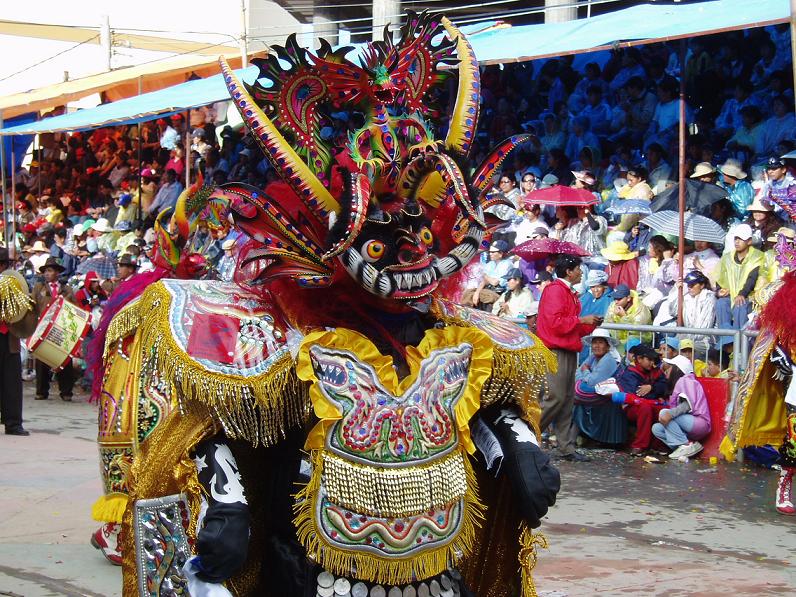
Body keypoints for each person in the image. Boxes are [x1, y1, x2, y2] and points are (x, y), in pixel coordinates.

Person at [537, 255, 600, 462]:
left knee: (565, 400)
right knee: (555, 397)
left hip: (566, 350)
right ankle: (529, 436)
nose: (581, 273)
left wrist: (591, 324)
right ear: (569, 272)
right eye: (578, 270)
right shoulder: (556, 290)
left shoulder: (566, 292)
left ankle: (565, 447)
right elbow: (556, 323)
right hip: (556, 351)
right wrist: (582, 320)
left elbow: (569, 326)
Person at [0, 248, 36, 435]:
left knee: (12, 381)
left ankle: (13, 422)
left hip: (10, 336)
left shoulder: (13, 283)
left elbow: (23, 309)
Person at [30, 257, 76, 401]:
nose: (47, 274)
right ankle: (41, 391)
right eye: (45, 271)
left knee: (64, 360)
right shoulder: (39, 288)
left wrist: (68, 300)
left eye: (50, 271)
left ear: (57, 273)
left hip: (61, 328)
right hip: (43, 327)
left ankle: (66, 391)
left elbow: (76, 306)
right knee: (41, 360)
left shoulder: (66, 289)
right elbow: (32, 305)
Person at [612, 343, 670, 455]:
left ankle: (658, 445)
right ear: (639, 359)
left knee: (665, 411)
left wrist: (651, 387)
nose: (652, 363)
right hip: (632, 407)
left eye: (653, 359)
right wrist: (655, 394)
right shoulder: (629, 373)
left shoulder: (655, 370)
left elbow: (664, 386)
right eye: (649, 359)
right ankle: (639, 445)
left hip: (652, 403)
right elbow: (638, 395)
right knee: (645, 408)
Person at [652, 355, 712, 459]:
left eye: (670, 367)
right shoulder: (684, 381)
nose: (666, 370)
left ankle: (685, 445)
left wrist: (669, 414)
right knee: (656, 428)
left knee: (664, 413)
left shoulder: (685, 380)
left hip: (699, 423)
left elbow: (687, 405)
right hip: (689, 424)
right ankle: (685, 446)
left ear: (677, 369)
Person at [715, 223, 766, 345]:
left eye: (741, 239)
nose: (737, 242)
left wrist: (742, 294)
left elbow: (752, 279)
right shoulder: (727, 257)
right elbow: (721, 277)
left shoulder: (758, 257)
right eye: (735, 239)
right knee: (721, 303)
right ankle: (725, 342)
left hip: (750, 297)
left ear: (749, 241)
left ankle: (740, 344)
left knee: (740, 306)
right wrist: (720, 290)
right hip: (732, 295)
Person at [573, 328, 625, 445]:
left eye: (600, 342)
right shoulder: (592, 357)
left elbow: (591, 382)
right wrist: (585, 377)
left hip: (606, 398)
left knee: (576, 399)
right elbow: (577, 373)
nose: (596, 346)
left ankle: (579, 436)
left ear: (607, 346)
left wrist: (585, 372)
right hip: (594, 394)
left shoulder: (608, 360)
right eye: (595, 342)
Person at [461, 240, 512, 309]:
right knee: (468, 292)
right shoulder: (491, 264)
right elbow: (484, 281)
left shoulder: (507, 264)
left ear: (501, 253)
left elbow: (495, 282)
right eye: (490, 252)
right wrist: (477, 293)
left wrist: (484, 275)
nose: (490, 254)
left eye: (493, 252)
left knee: (484, 296)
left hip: (500, 292)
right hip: (488, 289)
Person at [604, 284, 652, 351]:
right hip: (619, 340)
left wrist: (624, 317)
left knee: (632, 341)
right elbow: (607, 323)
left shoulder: (640, 309)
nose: (616, 301)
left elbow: (637, 330)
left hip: (639, 341)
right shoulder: (613, 305)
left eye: (619, 299)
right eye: (615, 298)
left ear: (628, 298)